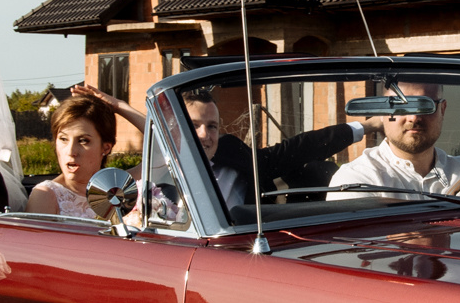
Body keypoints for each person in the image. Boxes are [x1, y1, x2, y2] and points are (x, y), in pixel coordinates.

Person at [69, 82, 362, 211]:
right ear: (177, 130)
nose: (205, 135)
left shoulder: (232, 154)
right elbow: (161, 135)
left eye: (212, 126)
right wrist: (119, 106)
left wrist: (363, 127)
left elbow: (293, 150)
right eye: (194, 125)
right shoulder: (158, 167)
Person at [327, 80, 460, 200]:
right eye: (401, 106)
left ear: (442, 109)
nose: (414, 118)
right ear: (383, 112)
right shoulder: (357, 179)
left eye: (426, 106)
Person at [27, 96, 119, 218]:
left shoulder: (118, 187)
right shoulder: (45, 194)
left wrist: (119, 105)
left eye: (83, 141)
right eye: (63, 139)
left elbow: (146, 161)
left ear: (106, 148)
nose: (71, 151)